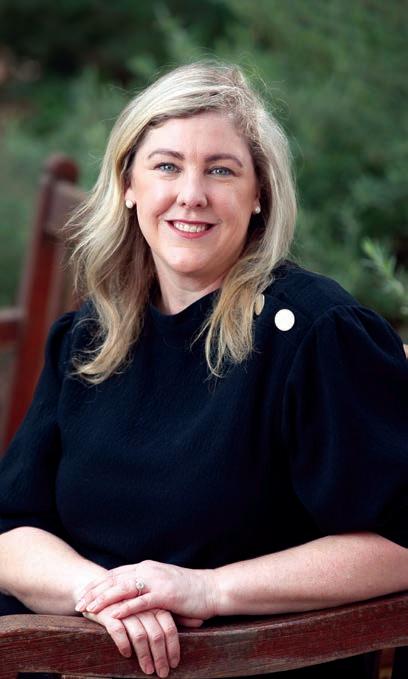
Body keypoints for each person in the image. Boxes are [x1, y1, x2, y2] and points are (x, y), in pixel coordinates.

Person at [0, 62, 407, 679]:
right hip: (75, 656)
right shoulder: (92, 335)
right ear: (129, 185)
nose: (191, 194)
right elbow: (11, 527)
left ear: (259, 193)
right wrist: (100, 594)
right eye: (167, 166)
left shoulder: (316, 334)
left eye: (221, 170)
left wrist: (207, 590)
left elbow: (399, 543)